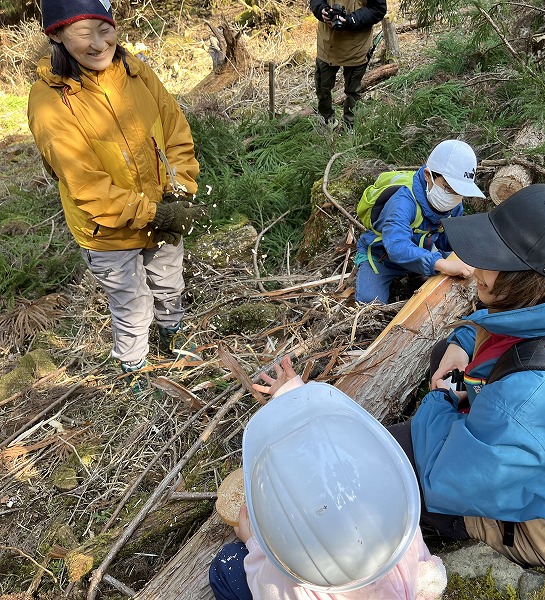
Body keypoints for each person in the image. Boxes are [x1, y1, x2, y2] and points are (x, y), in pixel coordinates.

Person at [387, 184, 545, 569]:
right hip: (538, 450)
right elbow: (508, 328)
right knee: (444, 354)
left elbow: (444, 479)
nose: (476, 270)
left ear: (529, 278)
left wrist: (443, 399)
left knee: (392, 458)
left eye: (492, 259)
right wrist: (462, 344)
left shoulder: (526, 400)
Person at [28, 0, 207, 393]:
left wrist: (180, 190)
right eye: (83, 33)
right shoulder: (49, 101)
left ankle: (172, 334)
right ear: (56, 35)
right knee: (132, 303)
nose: (98, 43)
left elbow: (176, 133)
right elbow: (86, 184)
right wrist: (156, 213)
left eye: (104, 29)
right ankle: (133, 364)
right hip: (107, 230)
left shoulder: (137, 73)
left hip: (161, 208)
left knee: (169, 280)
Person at [208, 356, 447, 600]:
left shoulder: (297, 588)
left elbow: (266, 586)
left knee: (227, 565)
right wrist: (291, 395)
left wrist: (254, 545)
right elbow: (336, 437)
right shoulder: (397, 517)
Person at [354, 139, 484, 304]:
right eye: (448, 188)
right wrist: (442, 264)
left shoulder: (454, 203)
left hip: (424, 252)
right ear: (428, 175)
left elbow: (446, 240)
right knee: (369, 302)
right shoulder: (403, 201)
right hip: (383, 257)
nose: (454, 197)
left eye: (460, 191)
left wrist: (471, 243)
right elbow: (397, 246)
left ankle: (421, 271)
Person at [309, 0, 387, 129]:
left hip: (357, 46)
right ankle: (327, 122)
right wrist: (321, 10)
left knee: (353, 92)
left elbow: (378, 9)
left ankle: (349, 125)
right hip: (327, 44)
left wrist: (351, 20)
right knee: (322, 89)